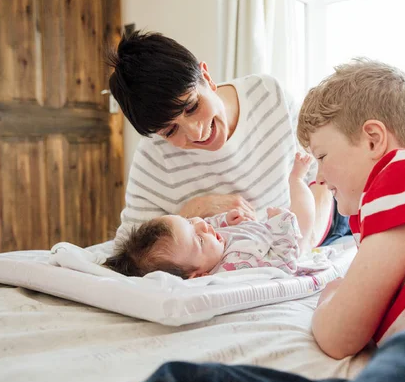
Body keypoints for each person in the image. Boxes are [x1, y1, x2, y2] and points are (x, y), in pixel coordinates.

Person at [135, 59, 405, 382]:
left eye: (322, 156)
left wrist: (331, 295)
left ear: (373, 139)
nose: (319, 176)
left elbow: (339, 335)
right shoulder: (398, 220)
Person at [107, 31, 350, 252]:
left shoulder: (267, 95)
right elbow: (127, 248)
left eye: (192, 107)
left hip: (319, 222)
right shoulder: (154, 155)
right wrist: (190, 213)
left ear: (206, 77)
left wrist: (303, 245)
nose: (195, 133)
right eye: (170, 131)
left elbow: (321, 176)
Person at [105, 153, 319, 278]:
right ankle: (298, 181)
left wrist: (225, 221)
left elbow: (206, 225)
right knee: (303, 217)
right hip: (284, 241)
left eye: (189, 221)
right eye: (198, 239)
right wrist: (282, 223)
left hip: (259, 230)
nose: (204, 226)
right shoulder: (236, 265)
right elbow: (284, 263)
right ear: (198, 275)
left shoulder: (209, 248)